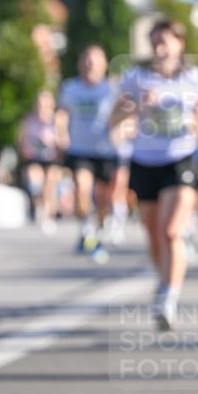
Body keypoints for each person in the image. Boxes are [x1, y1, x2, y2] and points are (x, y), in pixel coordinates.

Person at [110, 20, 198, 330]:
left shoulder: (194, 78)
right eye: (154, 41)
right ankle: (164, 278)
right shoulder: (135, 77)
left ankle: (169, 296)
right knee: (154, 235)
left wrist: (180, 118)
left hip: (179, 159)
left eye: (165, 41)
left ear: (180, 44)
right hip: (144, 160)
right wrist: (135, 107)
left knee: (171, 231)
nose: (159, 47)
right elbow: (114, 117)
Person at [57, 45, 118, 262]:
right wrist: (61, 133)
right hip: (79, 149)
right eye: (87, 60)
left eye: (95, 60)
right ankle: (86, 229)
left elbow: (121, 115)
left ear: (104, 65)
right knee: (82, 190)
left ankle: (99, 228)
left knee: (103, 199)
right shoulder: (71, 88)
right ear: (80, 63)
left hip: (106, 150)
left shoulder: (111, 89)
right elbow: (63, 113)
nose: (90, 64)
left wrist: (121, 130)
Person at [17, 90, 62, 234]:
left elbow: (63, 141)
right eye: (39, 104)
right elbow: (21, 139)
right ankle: (38, 206)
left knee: (50, 185)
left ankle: (48, 215)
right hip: (34, 158)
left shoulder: (57, 120)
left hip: (52, 158)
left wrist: (53, 142)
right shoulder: (29, 120)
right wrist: (26, 147)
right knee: (34, 179)